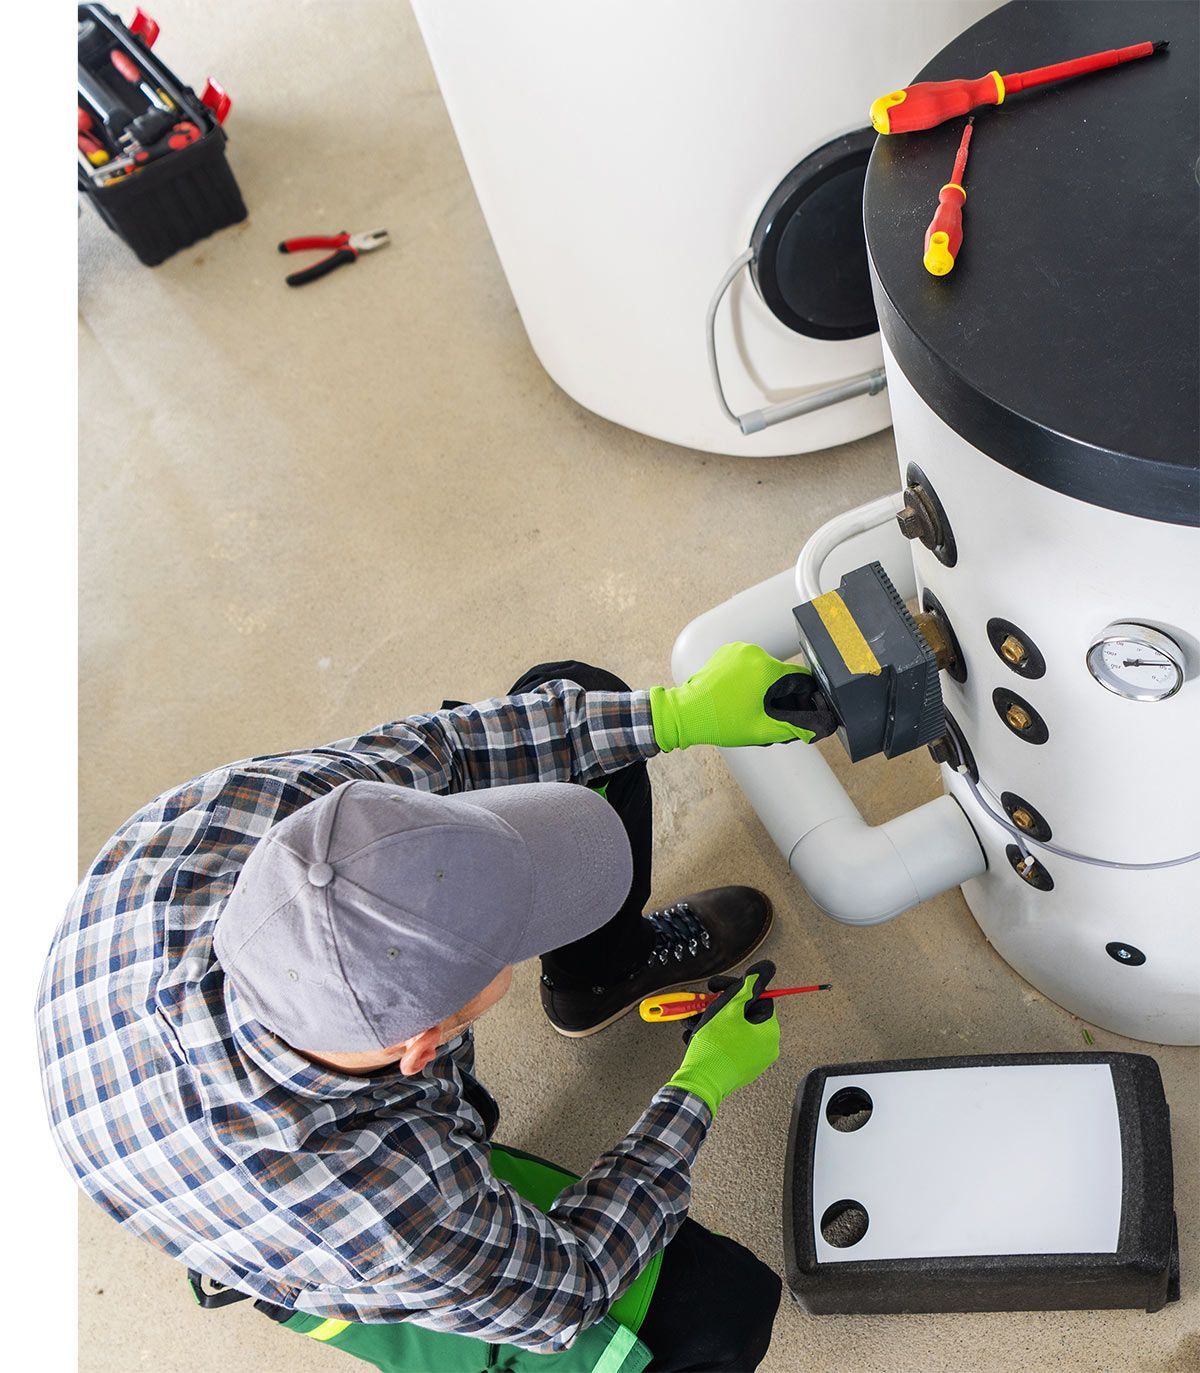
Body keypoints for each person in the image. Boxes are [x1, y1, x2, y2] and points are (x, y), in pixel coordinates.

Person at [37, 643, 834, 1372]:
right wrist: (700, 1084)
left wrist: (676, 713)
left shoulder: (235, 831)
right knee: (718, 1316)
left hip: (130, 1072)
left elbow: (441, 749)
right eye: (508, 947)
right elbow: (574, 1283)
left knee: (583, 709)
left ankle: (603, 974)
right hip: (277, 1220)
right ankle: (280, 1282)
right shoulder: (387, 1210)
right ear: (425, 1043)